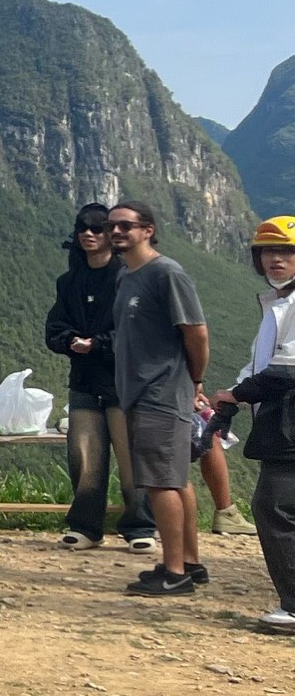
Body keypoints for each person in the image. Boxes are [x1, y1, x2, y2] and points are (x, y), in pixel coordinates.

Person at [108, 201, 210, 598]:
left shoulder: (166, 273)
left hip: (161, 392)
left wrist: (194, 380)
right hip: (138, 391)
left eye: (126, 225)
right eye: (112, 225)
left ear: (148, 230)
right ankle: (189, 562)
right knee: (175, 478)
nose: (116, 232)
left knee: (159, 482)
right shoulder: (126, 275)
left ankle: (174, 573)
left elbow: (196, 332)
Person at [206, 216, 295, 633]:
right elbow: (262, 363)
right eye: (268, 251)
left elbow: (286, 370)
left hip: (289, 423)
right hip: (281, 418)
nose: (276, 258)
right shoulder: (278, 303)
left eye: (287, 251)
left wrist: (238, 395)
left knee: (273, 504)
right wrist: (233, 392)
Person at [49, 205, 155, 550]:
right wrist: (69, 341)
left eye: (97, 228)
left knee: (131, 458)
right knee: (85, 458)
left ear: (111, 235)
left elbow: (138, 330)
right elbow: (54, 327)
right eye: (83, 228)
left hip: (122, 384)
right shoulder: (68, 282)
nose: (88, 234)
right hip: (84, 383)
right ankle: (86, 527)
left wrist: (97, 344)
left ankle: (140, 528)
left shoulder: (127, 278)